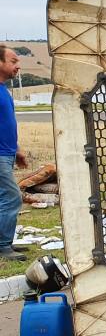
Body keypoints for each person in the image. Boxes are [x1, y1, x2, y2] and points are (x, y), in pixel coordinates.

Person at [0, 45, 28, 261]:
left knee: (5, 198)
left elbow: (7, 124)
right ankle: (3, 246)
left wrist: (17, 149)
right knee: (12, 197)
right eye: (13, 61)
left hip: (7, 153)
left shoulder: (3, 90)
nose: (18, 66)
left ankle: (5, 242)